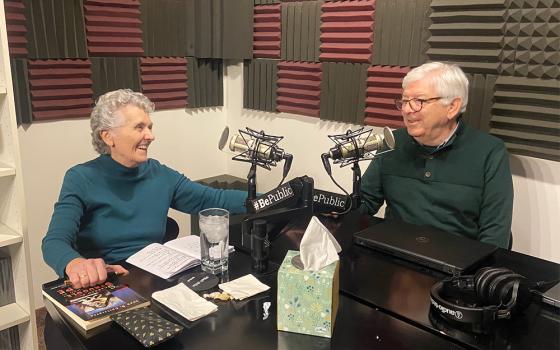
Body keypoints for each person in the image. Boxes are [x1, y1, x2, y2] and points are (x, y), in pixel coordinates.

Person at [42, 89, 247, 289]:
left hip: (152, 279)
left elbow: (216, 199)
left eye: (149, 127)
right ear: (108, 137)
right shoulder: (80, 178)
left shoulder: (160, 174)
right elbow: (54, 241)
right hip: (109, 281)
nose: (150, 136)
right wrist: (75, 263)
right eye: (139, 127)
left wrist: (275, 199)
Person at [360, 62, 513, 248]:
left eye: (419, 101)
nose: (407, 110)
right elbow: (365, 203)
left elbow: (495, 235)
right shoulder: (393, 142)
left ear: (452, 107)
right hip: (396, 256)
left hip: (457, 266)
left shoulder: (489, 152)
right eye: (404, 101)